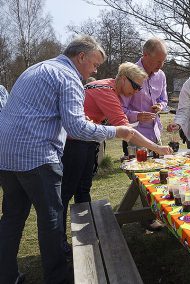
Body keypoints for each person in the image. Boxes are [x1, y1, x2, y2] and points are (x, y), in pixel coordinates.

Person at [0, 35, 136, 284]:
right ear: (81, 57)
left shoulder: (37, 68)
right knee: (51, 219)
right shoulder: (68, 76)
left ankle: (6, 275)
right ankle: (58, 278)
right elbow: (76, 127)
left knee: (12, 218)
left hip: (6, 157)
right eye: (94, 64)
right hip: (37, 157)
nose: (94, 70)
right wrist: (116, 131)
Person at [61, 62, 173, 256]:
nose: (137, 91)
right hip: (75, 143)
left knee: (82, 190)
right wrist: (157, 148)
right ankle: (61, 245)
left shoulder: (107, 86)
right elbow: (126, 132)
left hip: (85, 141)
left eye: (140, 87)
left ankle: (86, 237)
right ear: (122, 79)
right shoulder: (106, 91)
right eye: (135, 86)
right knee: (66, 194)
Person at [121, 37, 168, 155]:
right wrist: (138, 116)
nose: (161, 65)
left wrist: (160, 106)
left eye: (163, 61)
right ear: (145, 55)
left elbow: (164, 99)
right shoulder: (129, 74)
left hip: (156, 132)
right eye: (158, 61)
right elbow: (120, 109)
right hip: (135, 135)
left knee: (159, 168)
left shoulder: (161, 75)